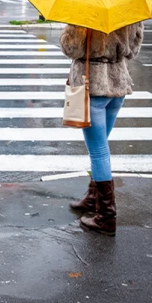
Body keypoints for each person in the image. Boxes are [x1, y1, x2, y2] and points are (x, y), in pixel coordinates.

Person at [60, 22, 144, 236]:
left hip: (93, 86)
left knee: (98, 152)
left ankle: (107, 216)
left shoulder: (83, 13)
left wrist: (67, 34)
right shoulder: (128, 11)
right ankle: (93, 197)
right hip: (118, 84)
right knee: (100, 148)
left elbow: (72, 49)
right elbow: (134, 48)